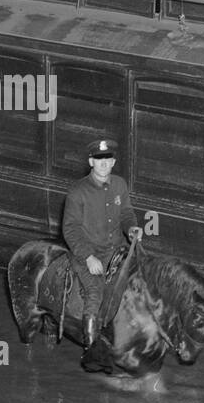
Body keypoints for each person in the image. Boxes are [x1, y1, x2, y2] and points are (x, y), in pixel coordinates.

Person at [62, 138, 144, 347]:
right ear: (91, 162)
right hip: (88, 253)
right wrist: (88, 257)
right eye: (99, 160)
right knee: (95, 292)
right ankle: (91, 348)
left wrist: (132, 228)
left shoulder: (119, 185)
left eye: (108, 159)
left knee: (140, 278)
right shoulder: (77, 191)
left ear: (114, 162)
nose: (104, 164)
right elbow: (70, 229)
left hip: (116, 249)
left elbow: (126, 213)